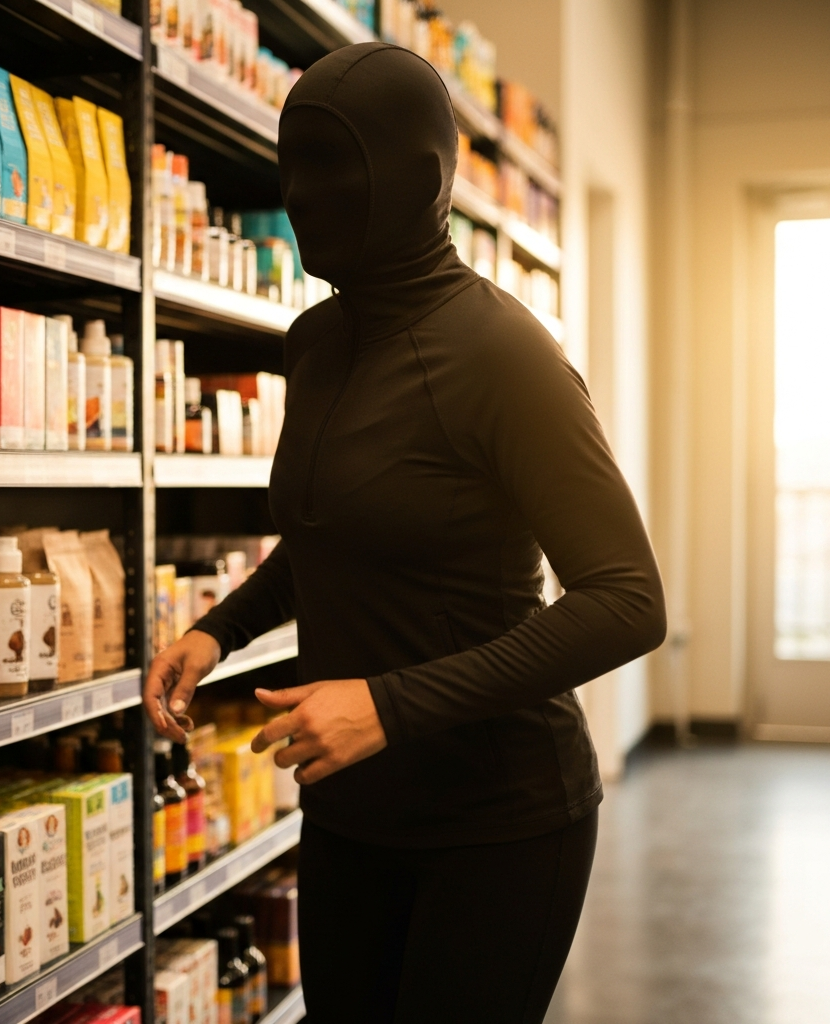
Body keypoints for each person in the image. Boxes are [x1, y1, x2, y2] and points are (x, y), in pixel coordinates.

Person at [146, 41, 666, 1024]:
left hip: (498, 819)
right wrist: (219, 629)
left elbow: (628, 601)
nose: (301, 194)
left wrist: (389, 704)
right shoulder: (315, 340)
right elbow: (338, 534)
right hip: (349, 808)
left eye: (332, 167)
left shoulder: (506, 354)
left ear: (419, 180)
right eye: (290, 165)